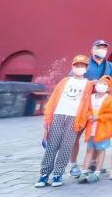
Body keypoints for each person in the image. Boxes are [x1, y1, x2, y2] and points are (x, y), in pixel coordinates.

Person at [35, 55, 93, 188]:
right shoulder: (65, 81)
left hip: (74, 118)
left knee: (66, 147)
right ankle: (44, 174)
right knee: (52, 146)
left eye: (82, 66)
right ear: (73, 67)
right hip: (58, 114)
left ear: (86, 68)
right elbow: (54, 98)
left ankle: (58, 174)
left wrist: (85, 117)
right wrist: (48, 117)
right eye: (77, 65)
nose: (79, 68)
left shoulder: (88, 84)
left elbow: (87, 103)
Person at [69, 39, 112, 178]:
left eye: (104, 48)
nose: (102, 50)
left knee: (96, 136)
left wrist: (110, 100)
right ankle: (73, 164)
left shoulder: (109, 66)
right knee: (75, 135)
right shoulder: (84, 63)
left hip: (99, 107)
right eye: (99, 47)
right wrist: (90, 83)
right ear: (92, 50)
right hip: (82, 105)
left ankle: (93, 162)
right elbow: (72, 80)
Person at [78, 76, 112, 184]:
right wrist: (89, 115)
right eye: (100, 83)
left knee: (101, 150)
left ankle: (97, 171)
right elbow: (86, 109)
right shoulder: (90, 97)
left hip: (103, 130)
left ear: (108, 88)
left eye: (105, 84)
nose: (102, 85)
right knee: (89, 150)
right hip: (91, 129)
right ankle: (84, 170)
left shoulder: (109, 99)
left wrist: (99, 117)